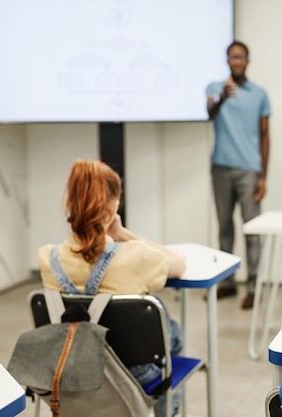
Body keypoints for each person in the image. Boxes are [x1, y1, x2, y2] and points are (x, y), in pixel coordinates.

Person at [37, 159, 187, 416]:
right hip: (133, 371)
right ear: (114, 205)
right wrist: (123, 233)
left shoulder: (47, 258)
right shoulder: (136, 256)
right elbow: (179, 264)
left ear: (69, 204)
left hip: (71, 367)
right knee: (171, 330)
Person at [206, 40, 271, 309]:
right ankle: (227, 283)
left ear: (248, 60)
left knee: (252, 229)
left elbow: (265, 136)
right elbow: (209, 113)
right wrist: (222, 97)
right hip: (221, 167)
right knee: (224, 228)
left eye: (241, 56)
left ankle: (254, 286)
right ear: (227, 60)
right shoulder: (215, 89)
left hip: (249, 170)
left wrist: (263, 176)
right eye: (232, 57)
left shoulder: (260, 94)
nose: (237, 61)